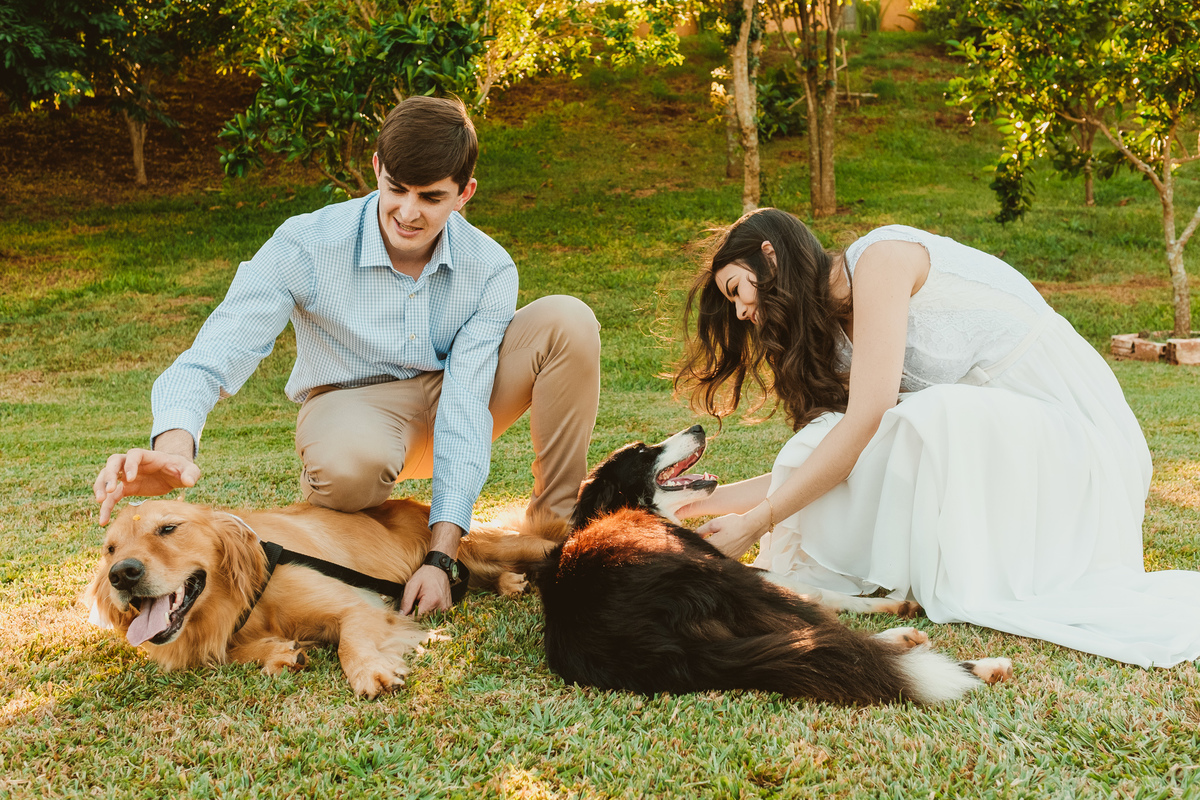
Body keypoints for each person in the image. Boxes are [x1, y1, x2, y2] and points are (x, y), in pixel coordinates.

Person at [92, 96, 600, 616]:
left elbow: (467, 405)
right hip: (353, 412)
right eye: (396, 188)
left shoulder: (489, 267)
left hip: (456, 391)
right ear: (377, 168)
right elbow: (217, 350)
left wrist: (441, 557)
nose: (408, 212)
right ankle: (350, 522)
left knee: (568, 320)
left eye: (431, 197)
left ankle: (562, 533)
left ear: (464, 193)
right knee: (348, 462)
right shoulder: (306, 244)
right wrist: (175, 450)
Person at [674, 207, 1200, 668]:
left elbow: (868, 422)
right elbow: (838, 454)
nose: (741, 312)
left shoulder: (878, 260)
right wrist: (694, 503)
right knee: (832, 433)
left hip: (1073, 427)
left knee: (922, 413)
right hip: (1002, 454)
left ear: (769, 255)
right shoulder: (833, 341)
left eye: (736, 290)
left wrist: (757, 523)